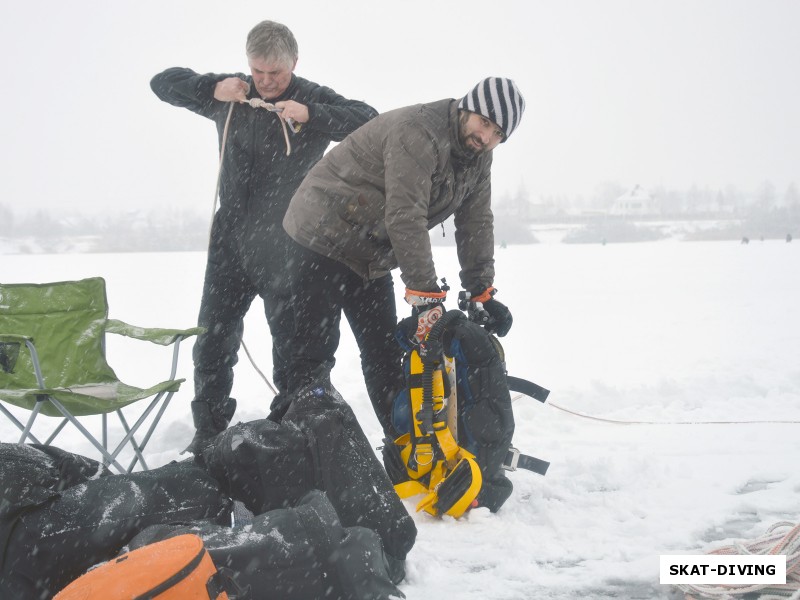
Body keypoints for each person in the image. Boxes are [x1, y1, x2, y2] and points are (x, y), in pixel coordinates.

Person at [150, 20, 378, 453]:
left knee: (293, 341)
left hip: (289, 240)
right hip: (231, 238)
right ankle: (208, 430)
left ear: (294, 62)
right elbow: (162, 83)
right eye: (259, 72)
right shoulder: (232, 93)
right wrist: (213, 88)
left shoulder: (312, 97)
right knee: (214, 337)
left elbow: (368, 119)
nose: (267, 82)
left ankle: (289, 428)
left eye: (276, 73)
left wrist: (312, 115)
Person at [281, 77, 524, 436]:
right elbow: (405, 215)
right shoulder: (420, 132)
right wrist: (425, 295)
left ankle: (409, 450)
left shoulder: (478, 156)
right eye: (484, 123)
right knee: (311, 360)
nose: (486, 137)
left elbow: (476, 222)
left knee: (385, 355)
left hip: (369, 252)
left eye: (497, 133)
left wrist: (481, 290)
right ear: (466, 108)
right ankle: (292, 457)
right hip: (320, 235)